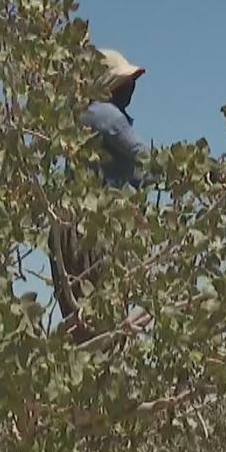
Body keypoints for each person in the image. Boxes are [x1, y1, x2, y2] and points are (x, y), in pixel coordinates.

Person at [49, 48, 147, 332]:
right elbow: (149, 160)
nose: (131, 88)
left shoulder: (82, 115)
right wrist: (202, 171)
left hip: (69, 229)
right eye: (125, 82)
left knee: (81, 326)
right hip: (93, 228)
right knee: (105, 323)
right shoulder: (106, 115)